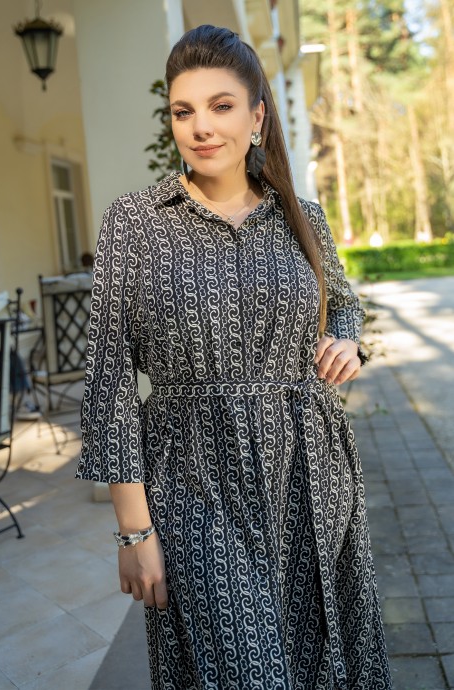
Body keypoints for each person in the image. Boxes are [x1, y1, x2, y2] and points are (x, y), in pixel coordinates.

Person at [76, 24, 393, 690]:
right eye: (183, 111)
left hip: (312, 476)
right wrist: (133, 532)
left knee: (320, 661)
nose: (201, 127)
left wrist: (346, 342)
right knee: (243, 670)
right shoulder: (135, 223)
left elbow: (343, 304)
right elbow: (107, 379)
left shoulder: (302, 216)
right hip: (192, 481)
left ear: (256, 118)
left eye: (221, 106)